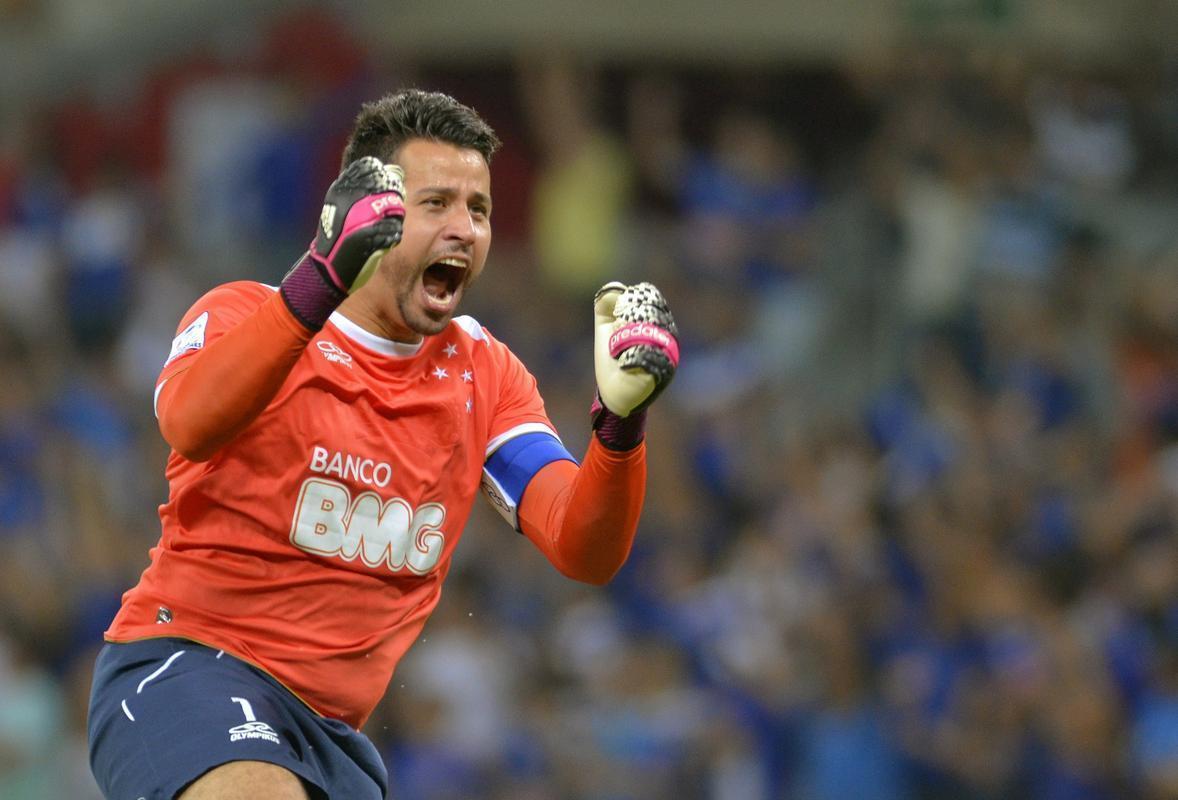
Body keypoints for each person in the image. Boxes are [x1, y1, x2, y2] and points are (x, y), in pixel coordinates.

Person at [86, 89, 679, 800]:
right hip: (187, 669)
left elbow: (583, 547)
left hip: (330, 736)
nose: (464, 229)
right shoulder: (247, 311)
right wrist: (322, 278)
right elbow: (187, 421)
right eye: (437, 204)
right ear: (372, 211)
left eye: (480, 209)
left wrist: (620, 429)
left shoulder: (485, 375)